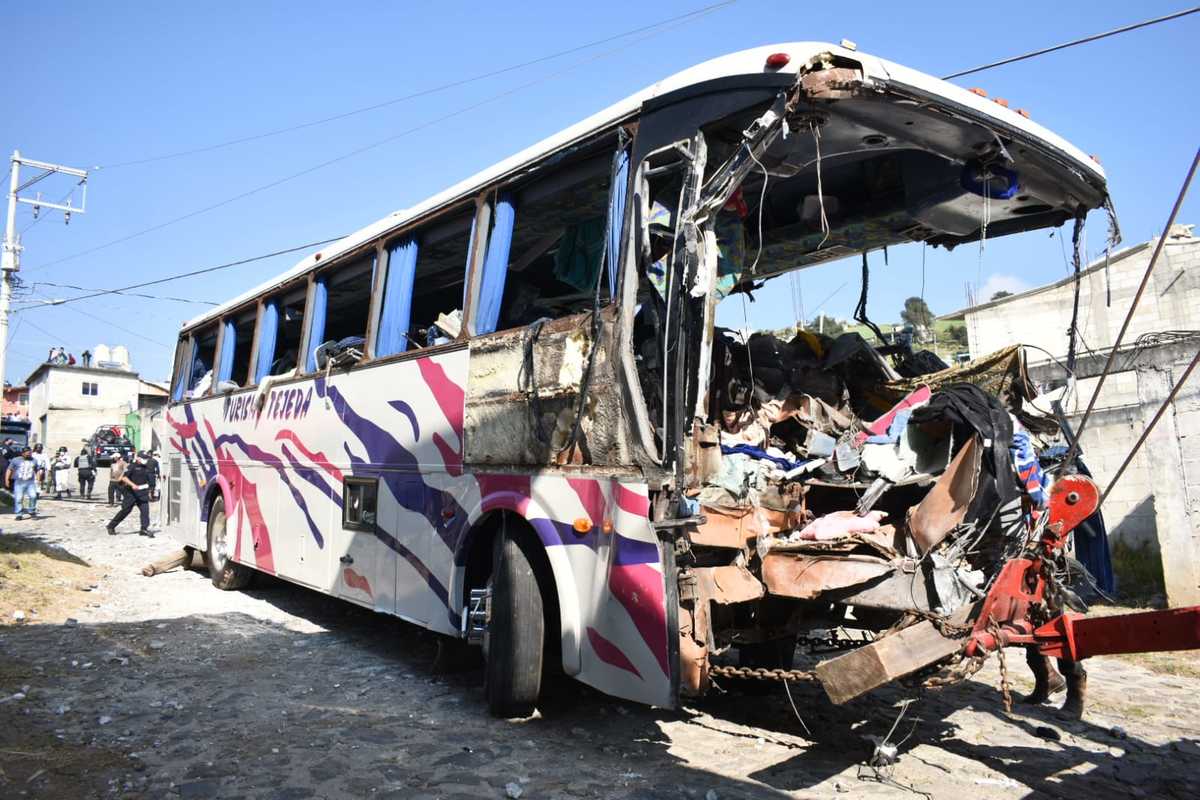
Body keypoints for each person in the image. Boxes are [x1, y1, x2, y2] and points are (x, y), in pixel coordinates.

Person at [106, 451, 153, 536]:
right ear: (138, 458)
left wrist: (149, 491)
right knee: (125, 511)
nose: (145, 460)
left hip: (142, 493)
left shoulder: (147, 468)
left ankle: (144, 529)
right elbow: (124, 478)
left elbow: (149, 481)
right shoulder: (132, 466)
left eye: (146, 458)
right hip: (131, 493)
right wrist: (133, 485)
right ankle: (111, 526)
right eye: (144, 458)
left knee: (145, 511)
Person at [6, 446, 43, 520]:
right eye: (26, 453)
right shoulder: (15, 460)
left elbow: (37, 470)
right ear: (22, 453)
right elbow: (9, 470)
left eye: (29, 453)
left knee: (33, 496)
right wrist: (7, 479)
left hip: (30, 482)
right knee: (18, 498)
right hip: (19, 482)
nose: (28, 454)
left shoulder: (34, 460)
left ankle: (32, 511)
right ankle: (19, 514)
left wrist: (39, 480)